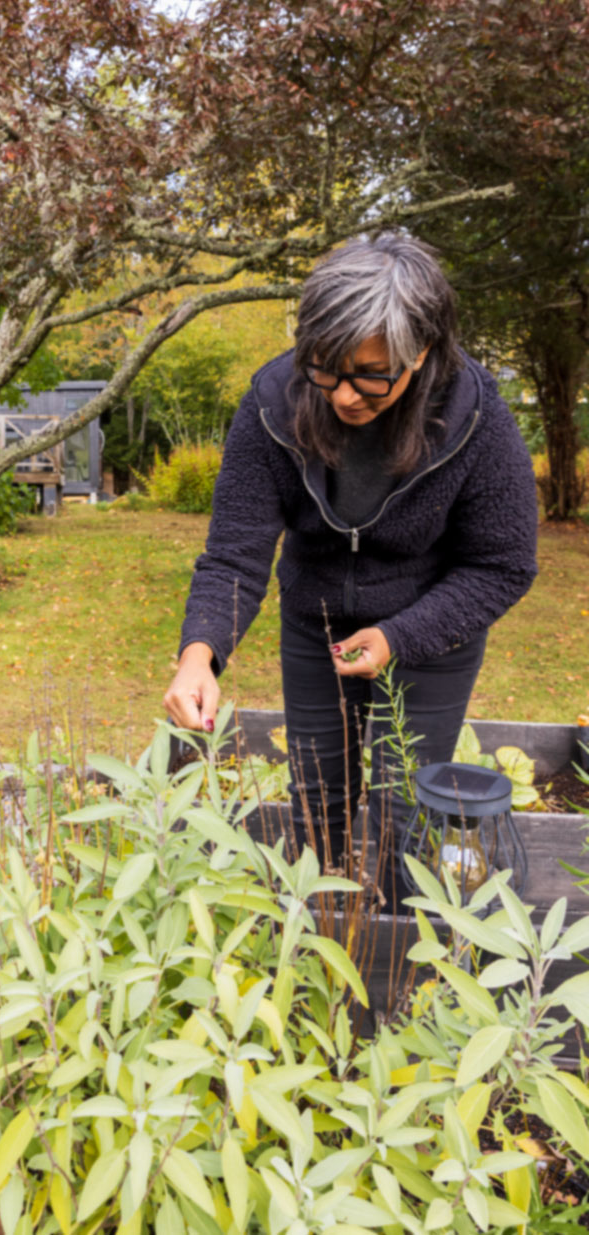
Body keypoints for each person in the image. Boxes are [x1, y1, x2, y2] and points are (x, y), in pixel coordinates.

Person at [163, 234, 539, 908]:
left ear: (420, 352)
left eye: (370, 374)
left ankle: (405, 951)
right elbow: (236, 551)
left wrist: (400, 636)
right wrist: (200, 656)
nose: (342, 395)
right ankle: (323, 938)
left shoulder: (474, 415)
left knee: (407, 813)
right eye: (325, 368)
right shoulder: (272, 404)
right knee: (317, 800)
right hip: (317, 625)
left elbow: (501, 565)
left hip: (431, 630)